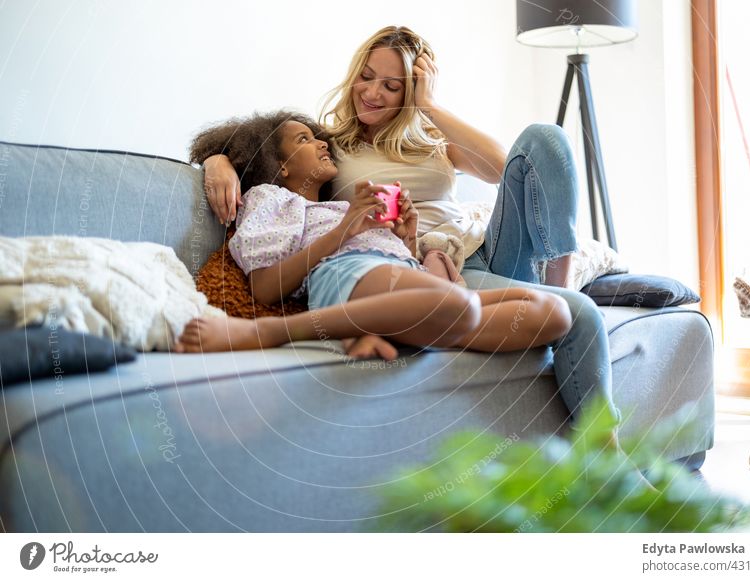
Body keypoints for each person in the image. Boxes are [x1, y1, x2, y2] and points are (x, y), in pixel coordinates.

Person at [199, 26, 615, 423]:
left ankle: (556, 283)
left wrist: (429, 106)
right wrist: (217, 161)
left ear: (410, 93)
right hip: (432, 265)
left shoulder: (432, 135)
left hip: (486, 248)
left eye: (392, 86)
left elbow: (501, 167)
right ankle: (606, 454)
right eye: (366, 77)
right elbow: (267, 150)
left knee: (545, 139)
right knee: (577, 316)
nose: (373, 92)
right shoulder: (333, 144)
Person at [177, 110, 572, 356]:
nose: (320, 142)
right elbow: (265, 288)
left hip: (403, 279)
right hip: (346, 273)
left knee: (554, 312)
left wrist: (408, 240)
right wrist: (345, 231)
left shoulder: (340, 206)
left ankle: (397, 328)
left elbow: (403, 264)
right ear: (279, 166)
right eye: (304, 139)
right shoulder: (273, 199)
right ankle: (265, 332)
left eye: (317, 136)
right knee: (461, 307)